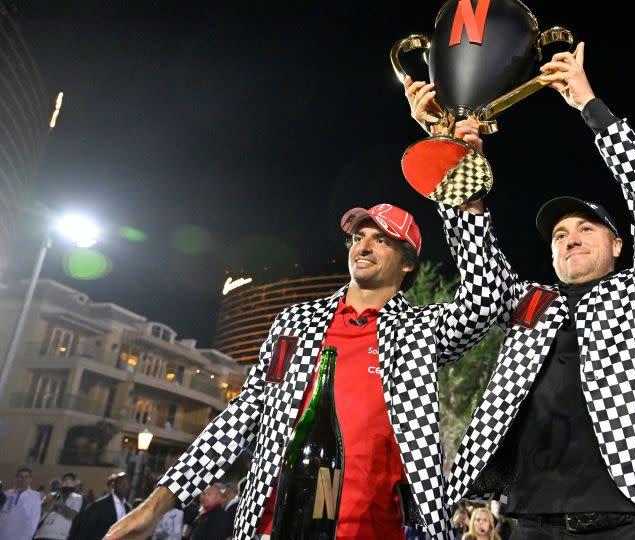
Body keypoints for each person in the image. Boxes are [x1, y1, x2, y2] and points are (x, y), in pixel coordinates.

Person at [406, 41, 635, 538]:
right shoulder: (531, 301)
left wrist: (592, 108)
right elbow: (480, 273)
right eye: (559, 235)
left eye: (586, 228)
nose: (570, 237)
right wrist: (455, 162)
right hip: (533, 518)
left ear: (617, 245)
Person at [105, 197, 504, 539]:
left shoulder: (422, 330)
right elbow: (243, 415)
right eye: (358, 237)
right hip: (270, 527)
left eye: (380, 239)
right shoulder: (294, 323)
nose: (363, 247)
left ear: (407, 265)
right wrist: (157, 505)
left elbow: (486, 300)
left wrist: (464, 199)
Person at [66, 472, 131, 540]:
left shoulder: (128, 508)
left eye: (127, 484)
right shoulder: (99, 505)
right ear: (114, 485)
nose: (124, 486)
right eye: (121, 483)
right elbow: (84, 529)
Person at [35, 472, 85, 540]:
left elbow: (71, 515)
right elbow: (44, 510)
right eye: (65, 480)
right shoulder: (54, 494)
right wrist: (47, 503)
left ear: (74, 483)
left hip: (59, 535)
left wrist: (57, 505)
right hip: (41, 533)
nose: (67, 482)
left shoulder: (77, 497)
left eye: (70, 481)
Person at [0, 467, 43, 540]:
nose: (23, 479)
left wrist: (28, 536)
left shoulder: (35, 496)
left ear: (30, 479)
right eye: (20, 477)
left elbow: (34, 519)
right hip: (3, 533)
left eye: (26, 477)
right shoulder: (6, 494)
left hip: (21, 535)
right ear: (16, 478)